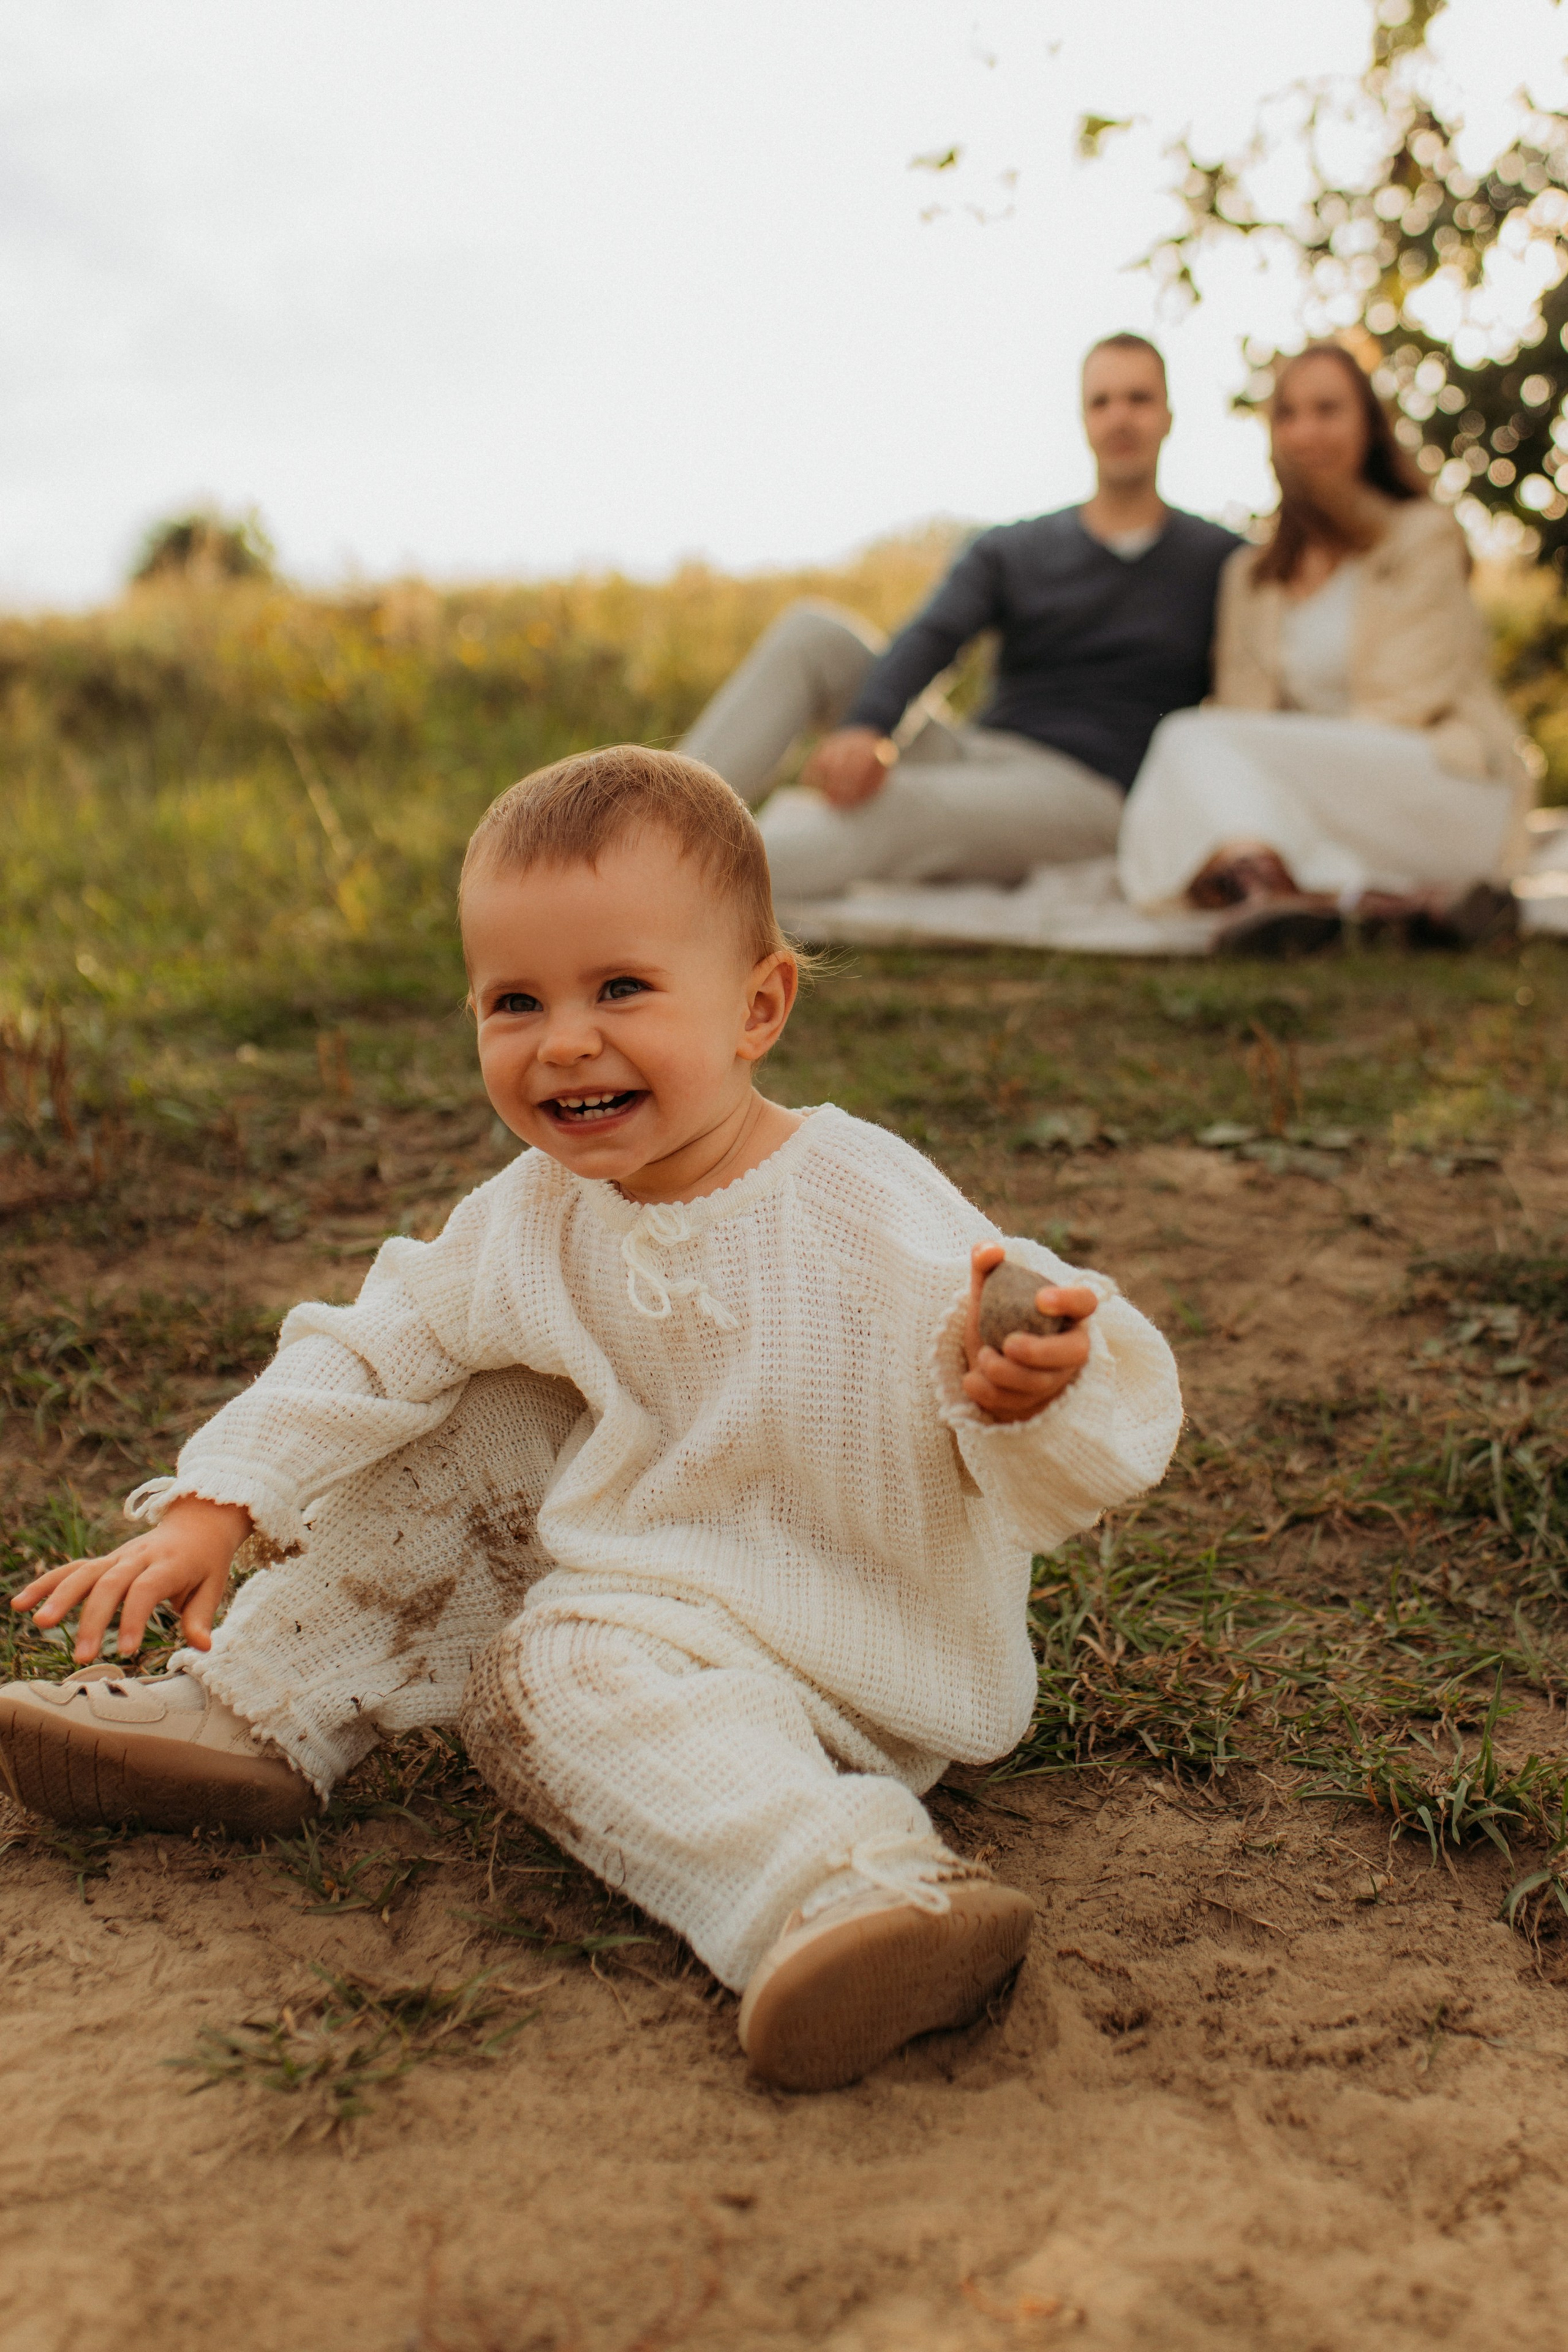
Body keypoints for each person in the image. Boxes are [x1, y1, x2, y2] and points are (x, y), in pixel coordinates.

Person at [0, 748, 1182, 2095]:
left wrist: (1027, 1386)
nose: (563, 1040)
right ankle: (266, 1708)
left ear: (757, 1006)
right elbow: (380, 1337)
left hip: (843, 1641)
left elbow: (1055, 1356)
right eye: (516, 1001)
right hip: (651, 1578)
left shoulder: (857, 1198)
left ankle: (850, 1885)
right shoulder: (534, 1211)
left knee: (542, 1678)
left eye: (619, 988)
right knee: (465, 1409)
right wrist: (223, 1499)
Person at [679, 336, 1242, 902]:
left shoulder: (1223, 561)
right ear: (1083, 420)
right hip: (979, 753)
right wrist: (867, 727)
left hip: (1091, 794)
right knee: (813, 635)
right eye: (1102, 402)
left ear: (1167, 417)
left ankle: (677, 891)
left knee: (894, 809)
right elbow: (934, 634)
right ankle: (652, 828)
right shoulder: (1014, 549)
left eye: (1138, 399)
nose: (1120, 417)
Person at [1117, 341, 1536, 955]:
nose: (1305, 431)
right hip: (1327, 799)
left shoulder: (1423, 537)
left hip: (1439, 779)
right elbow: (1245, 716)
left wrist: (1283, 791)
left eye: (1326, 410)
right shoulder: (1249, 576)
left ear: (1368, 426)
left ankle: (1287, 885)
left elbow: (1407, 701)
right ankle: (1378, 905)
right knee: (1196, 751)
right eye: (1288, 414)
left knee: (1187, 737)